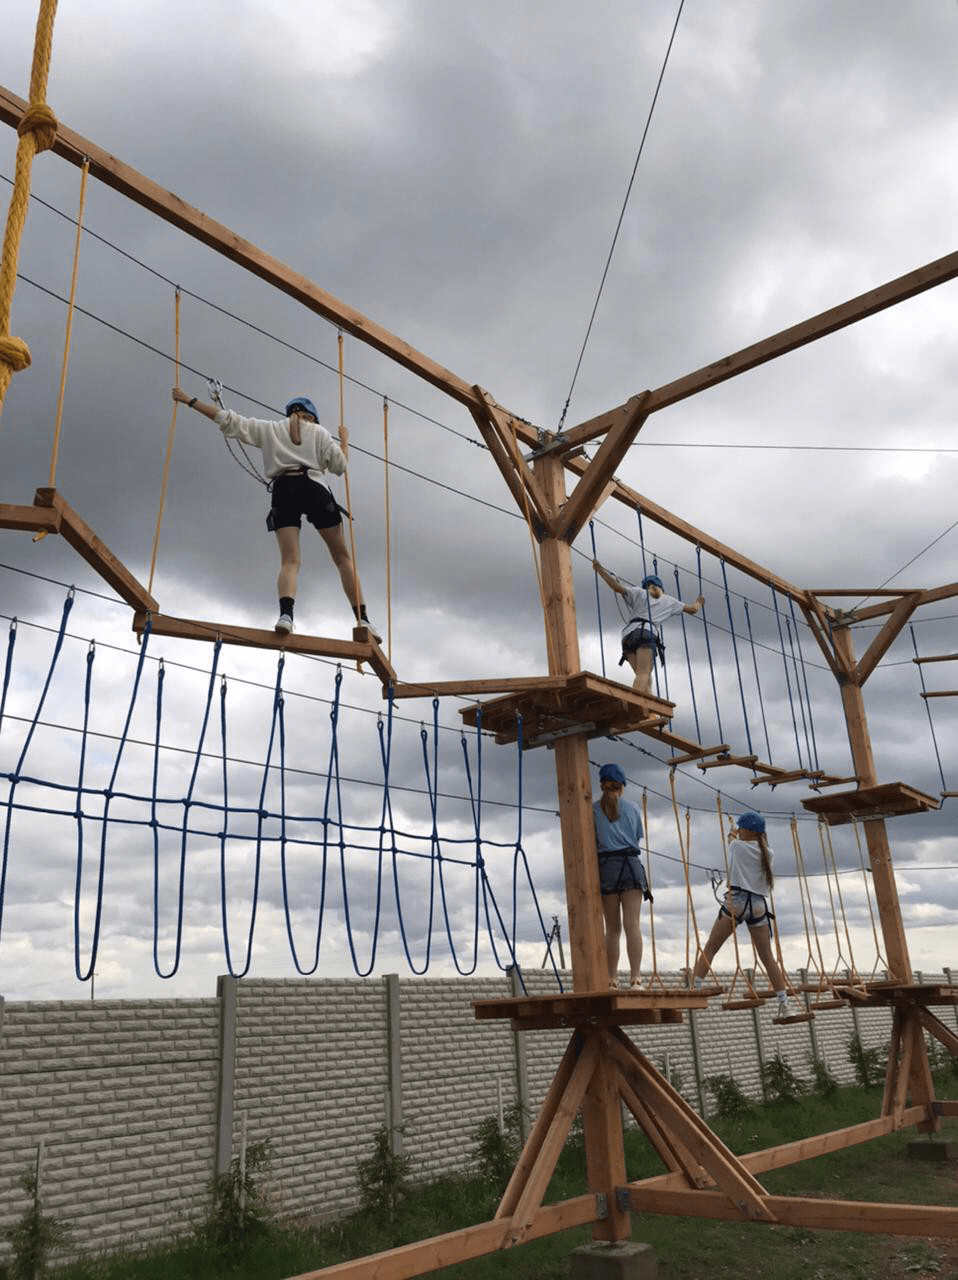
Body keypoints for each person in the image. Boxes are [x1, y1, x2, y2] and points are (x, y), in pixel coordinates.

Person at [172, 387, 381, 641]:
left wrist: (189, 400)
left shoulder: (271, 429)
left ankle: (286, 616)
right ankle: (363, 619)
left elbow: (229, 420)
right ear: (312, 417)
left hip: (284, 490)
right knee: (342, 558)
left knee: (290, 561)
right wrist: (344, 440)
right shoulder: (319, 433)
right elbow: (340, 466)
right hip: (313, 487)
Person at [689, 811, 799, 1019]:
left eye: (741, 828)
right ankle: (785, 1003)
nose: (738, 830)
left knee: (711, 947)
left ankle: (694, 988)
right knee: (768, 958)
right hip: (758, 905)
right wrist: (734, 833)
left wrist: (730, 832)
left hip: (737, 902)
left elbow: (731, 841)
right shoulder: (768, 853)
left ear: (748, 831)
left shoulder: (737, 847)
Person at [592, 561, 703, 694]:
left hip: (628, 635)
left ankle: (650, 704)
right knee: (644, 674)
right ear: (661, 587)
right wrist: (700, 601)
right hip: (646, 632)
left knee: (644, 676)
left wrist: (599, 570)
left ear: (645, 586)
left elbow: (616, 587)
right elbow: (693, 609)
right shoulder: (669, 600)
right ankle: (633, 702)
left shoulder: (638, 592)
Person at [593, 762, 653, 989]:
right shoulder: (633, 808)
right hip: (631, 866)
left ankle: (612, 978)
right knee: (632, 925)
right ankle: (636, 977)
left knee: (612, 928)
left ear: (602, 785)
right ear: (622, 785)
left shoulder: (594, 810)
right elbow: (637, 837)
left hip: (607, 866)